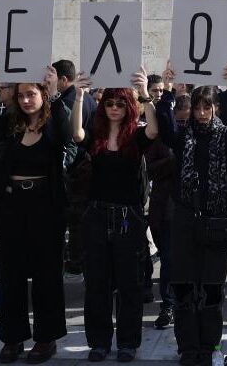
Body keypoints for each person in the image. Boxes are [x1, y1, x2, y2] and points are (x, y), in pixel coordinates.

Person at [0, 65, 71, 365]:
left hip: (46, 206)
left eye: (32, 94)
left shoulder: (53, 122)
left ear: (42, 94)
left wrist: (55, 95)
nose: (26, 100)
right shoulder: (9, 124)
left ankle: (46, 338)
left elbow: (66, 136)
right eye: (21, 95)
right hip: (11, 205)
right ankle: (12, 337)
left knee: (46, 275)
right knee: (11, 275)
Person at [154, 62, 227, 366]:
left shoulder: (226, 137)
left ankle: (209, 346)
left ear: (215, 108)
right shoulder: (183, 135)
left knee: (211, 289)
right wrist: (169, 91)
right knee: (183, 286)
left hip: (215, 219)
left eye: (207, 107)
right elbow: (164, 125)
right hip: (184, 217)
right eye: (197, 107)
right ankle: (188, 347)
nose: (202, 112)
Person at [72, 68, 159, 363]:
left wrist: (145, 94)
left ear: (128, 107)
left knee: (129, 284)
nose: (114, 108)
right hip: (97, 214)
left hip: (127, 217)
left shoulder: (136, 135)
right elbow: (76, 134)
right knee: (97, 283)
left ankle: (128, 342)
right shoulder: (96, 134)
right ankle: (99, 342)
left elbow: (154, 131)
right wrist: (80, 95)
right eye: (109, 103)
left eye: (120, 104)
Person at [54, 59, 97, 277]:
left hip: (74, 167)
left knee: (74, 219)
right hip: (84, 164)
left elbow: (71, 137)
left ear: (63, 79)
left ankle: (76, 261)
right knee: (79, 219)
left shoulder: (68, 101)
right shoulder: (88, 99)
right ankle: (78, 259)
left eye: (54, 79)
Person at [143, 74, 177, 330]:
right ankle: (168, 305)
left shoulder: (195, 134)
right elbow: (150, 169)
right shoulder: (157, 138)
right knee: (168, 259)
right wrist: (173, 160)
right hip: (163, 207)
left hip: (189, 208)